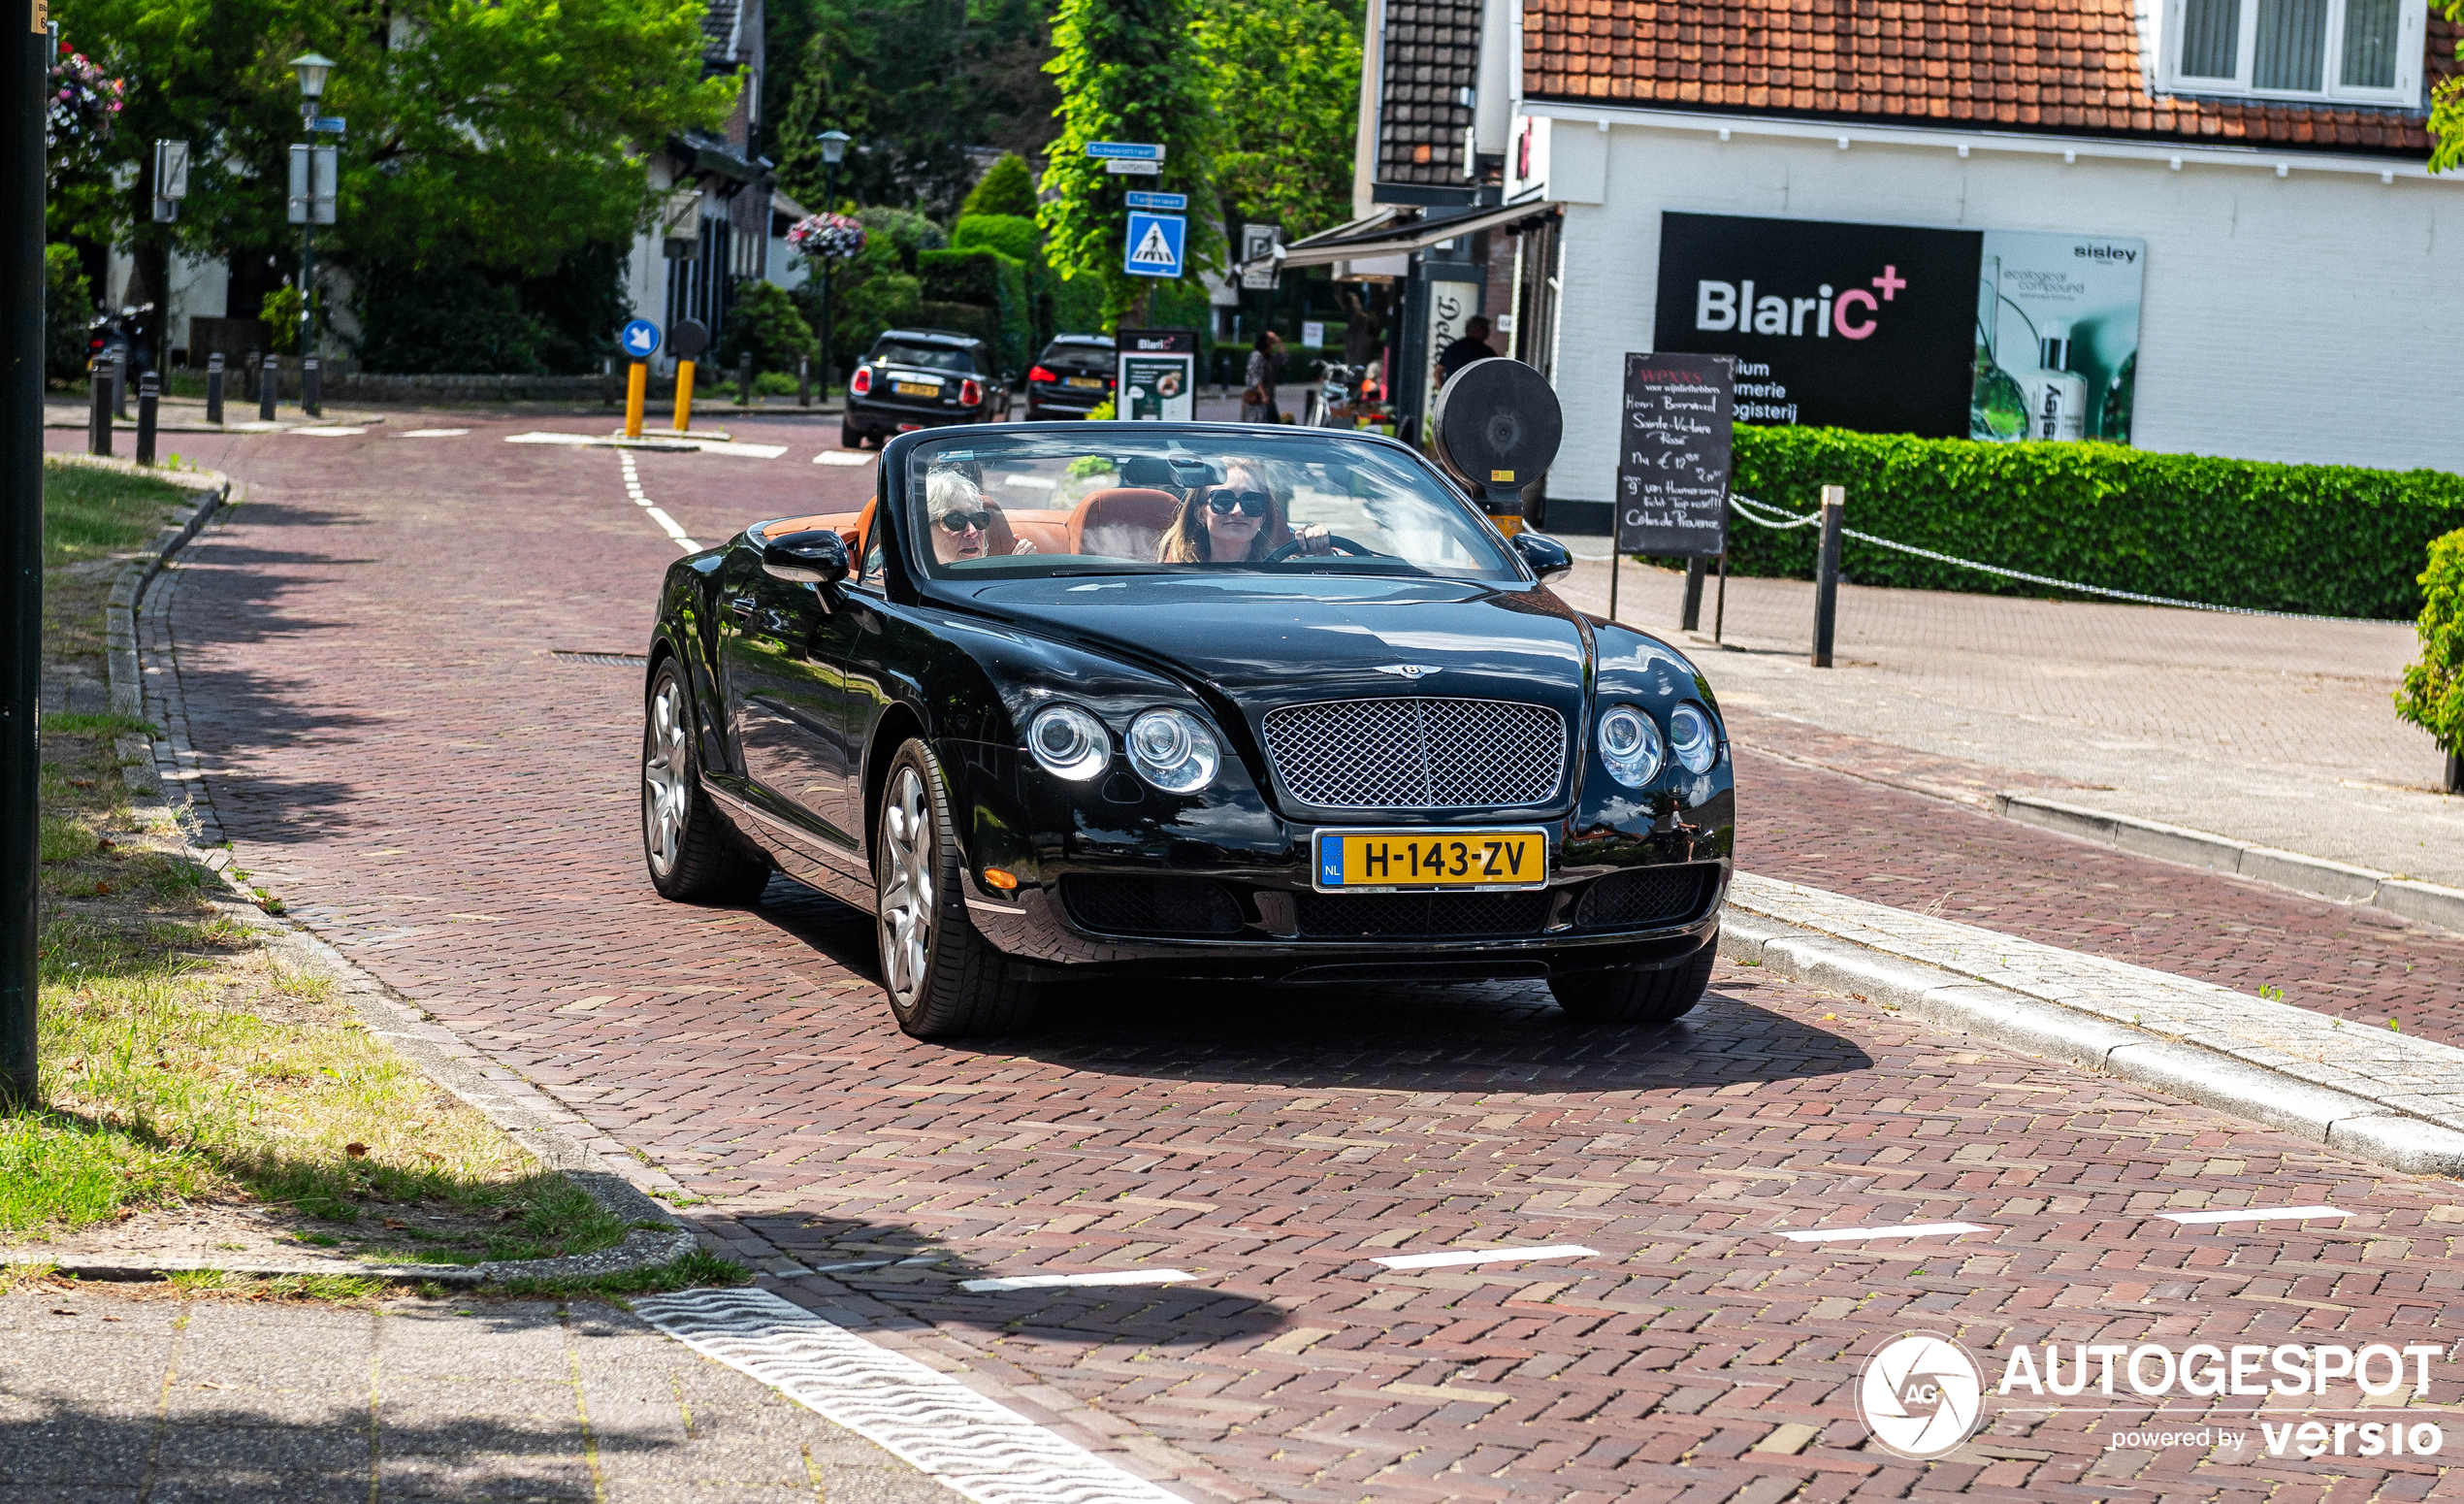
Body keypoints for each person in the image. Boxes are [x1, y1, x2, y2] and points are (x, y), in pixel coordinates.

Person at [1157, 460, 1332, 563]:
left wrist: (1323, 553)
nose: (1237, 511)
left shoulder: (1284, 573)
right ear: (1200, 514)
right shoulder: (1175, 576)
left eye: (1252, 501)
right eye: (1223, 500)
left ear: (1262, 517)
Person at [924, 470, 1034, 564]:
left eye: (978, 520)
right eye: (956, 520)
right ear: (923, 532)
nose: (972, 532)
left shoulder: (1002, 579)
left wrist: (1030, 573)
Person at [1435, 314, 1498, 388]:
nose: (1488, 333)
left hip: (1453, 394)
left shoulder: (1452, 348)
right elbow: (1497, 373)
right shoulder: (1485, 351)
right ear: (1478, 329)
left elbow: (1437, 372)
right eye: (1486, 329)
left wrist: (1443, 392)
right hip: (1476, 394)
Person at [1241, 331, 1283, 424]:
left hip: (1268, 399)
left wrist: (1278, 340)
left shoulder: (1269, 358)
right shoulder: (1256, 356)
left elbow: (1283, 359)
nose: (1272, 346)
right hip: (1256, 399)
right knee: (1257, 424)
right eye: (1270, 343)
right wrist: (1263, 395)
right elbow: (1256, 377)